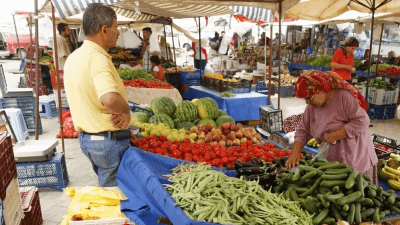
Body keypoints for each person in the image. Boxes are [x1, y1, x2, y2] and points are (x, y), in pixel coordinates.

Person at [63, 3, 133, 187]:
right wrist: (125, 110)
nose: (118, 32)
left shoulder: (74, 57)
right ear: (104, 30)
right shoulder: (97, 58)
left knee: (107, 188)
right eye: (116, 27)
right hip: (106, 142)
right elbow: (108, 98)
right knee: (116, 196)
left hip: (88, 140)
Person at [285, 70, 378, 184]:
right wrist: (295, 153)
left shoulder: (344, 97)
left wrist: (335, 135)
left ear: (321, 90)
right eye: (305, 99)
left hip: (355, 156)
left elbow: (362, 121)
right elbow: (303, 129)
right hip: (333, 158)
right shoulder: (312, 107)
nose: (307, 102)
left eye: (309, 97)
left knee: (357, 194)